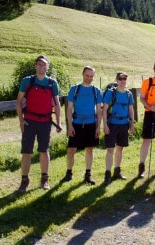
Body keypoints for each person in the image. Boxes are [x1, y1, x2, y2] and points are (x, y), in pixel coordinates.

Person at [15, 55, 62, 193]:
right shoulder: (27, 81)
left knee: (44, 150)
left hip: (45, 122)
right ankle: (24, 181)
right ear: (35, 66)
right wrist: (20, 120)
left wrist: (59, 122)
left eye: (44, 65)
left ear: (47, 67)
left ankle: (44, 179)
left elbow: (57, 104)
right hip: (29, 121)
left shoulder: (52, 83)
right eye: (39, 64)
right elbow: (18, 101)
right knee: (26, 152)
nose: (42, 67)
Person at [60, 66, 102, 185]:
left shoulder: (96, 91)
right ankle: (69, 173)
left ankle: (88, 175)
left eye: (91, 76)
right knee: (71, 150)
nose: (89, 78)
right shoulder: (75, 89)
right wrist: (70, 126)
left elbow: (99, 111)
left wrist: (98, 126)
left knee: (90, 149)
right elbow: (69, 109)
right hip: (77, 123)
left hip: (91, 124)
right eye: (87, 75)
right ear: (82, 75)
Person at [102, 72, 135, 185]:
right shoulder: (111, 93)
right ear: (116, 80)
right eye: (120, 79)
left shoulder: (129, 94)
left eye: (124, 79)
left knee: (120, 148)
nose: (123, 81)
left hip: (124, 124)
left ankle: (117, 171)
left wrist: (132, 124)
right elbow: (104, 110)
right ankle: (107, 174)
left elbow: (131, 109)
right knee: (110, 149)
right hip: (112, 124)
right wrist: (105, 125)